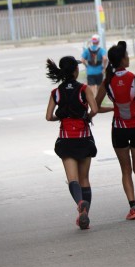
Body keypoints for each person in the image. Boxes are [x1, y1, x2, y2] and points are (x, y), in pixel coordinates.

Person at [95, 41, 135, 221]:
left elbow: (96, 107)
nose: (129, 58)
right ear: (123, 60)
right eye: (127, 56)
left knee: (126, 170)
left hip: (119, 129)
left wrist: (114, 108)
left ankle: (133, 209)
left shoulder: (107, 82)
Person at [45, 56, 98, 230]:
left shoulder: (56, 92)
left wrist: (61, 117)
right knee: (84, 179)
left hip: (66, 139)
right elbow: (95, 109)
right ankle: (85, 215)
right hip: (83, 138)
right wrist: (86, 116)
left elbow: (48, 117)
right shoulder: (84, 89)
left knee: (72, 179)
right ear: (76, 71)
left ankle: (80, 203)